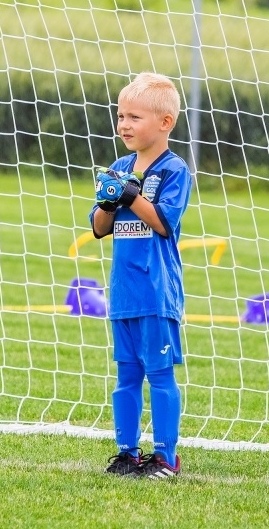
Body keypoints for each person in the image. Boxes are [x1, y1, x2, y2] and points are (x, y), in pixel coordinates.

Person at [89, 72, 192, 479]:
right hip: (124, 292)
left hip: (156, 292)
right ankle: (127, 453)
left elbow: (164, 223)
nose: (124, 125)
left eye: (134, 117)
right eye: (120, 116)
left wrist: (131, 195)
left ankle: (166, 457)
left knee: (160, 375)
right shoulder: (119, 168)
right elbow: (99, 228)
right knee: (126, 376)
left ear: (165, 122)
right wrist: (109, 201)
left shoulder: (174, 170)